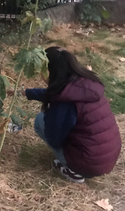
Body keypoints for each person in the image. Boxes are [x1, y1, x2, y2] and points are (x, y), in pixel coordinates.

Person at [10, 46, 122, 183]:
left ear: (49, 72)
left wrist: (50, 118)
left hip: (89, 164)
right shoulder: (85, 84)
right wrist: (26, 92)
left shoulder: (64, 103)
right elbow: (54, 94)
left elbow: (54, 139)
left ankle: (74, 171)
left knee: (40, 120)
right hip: (107, 156)